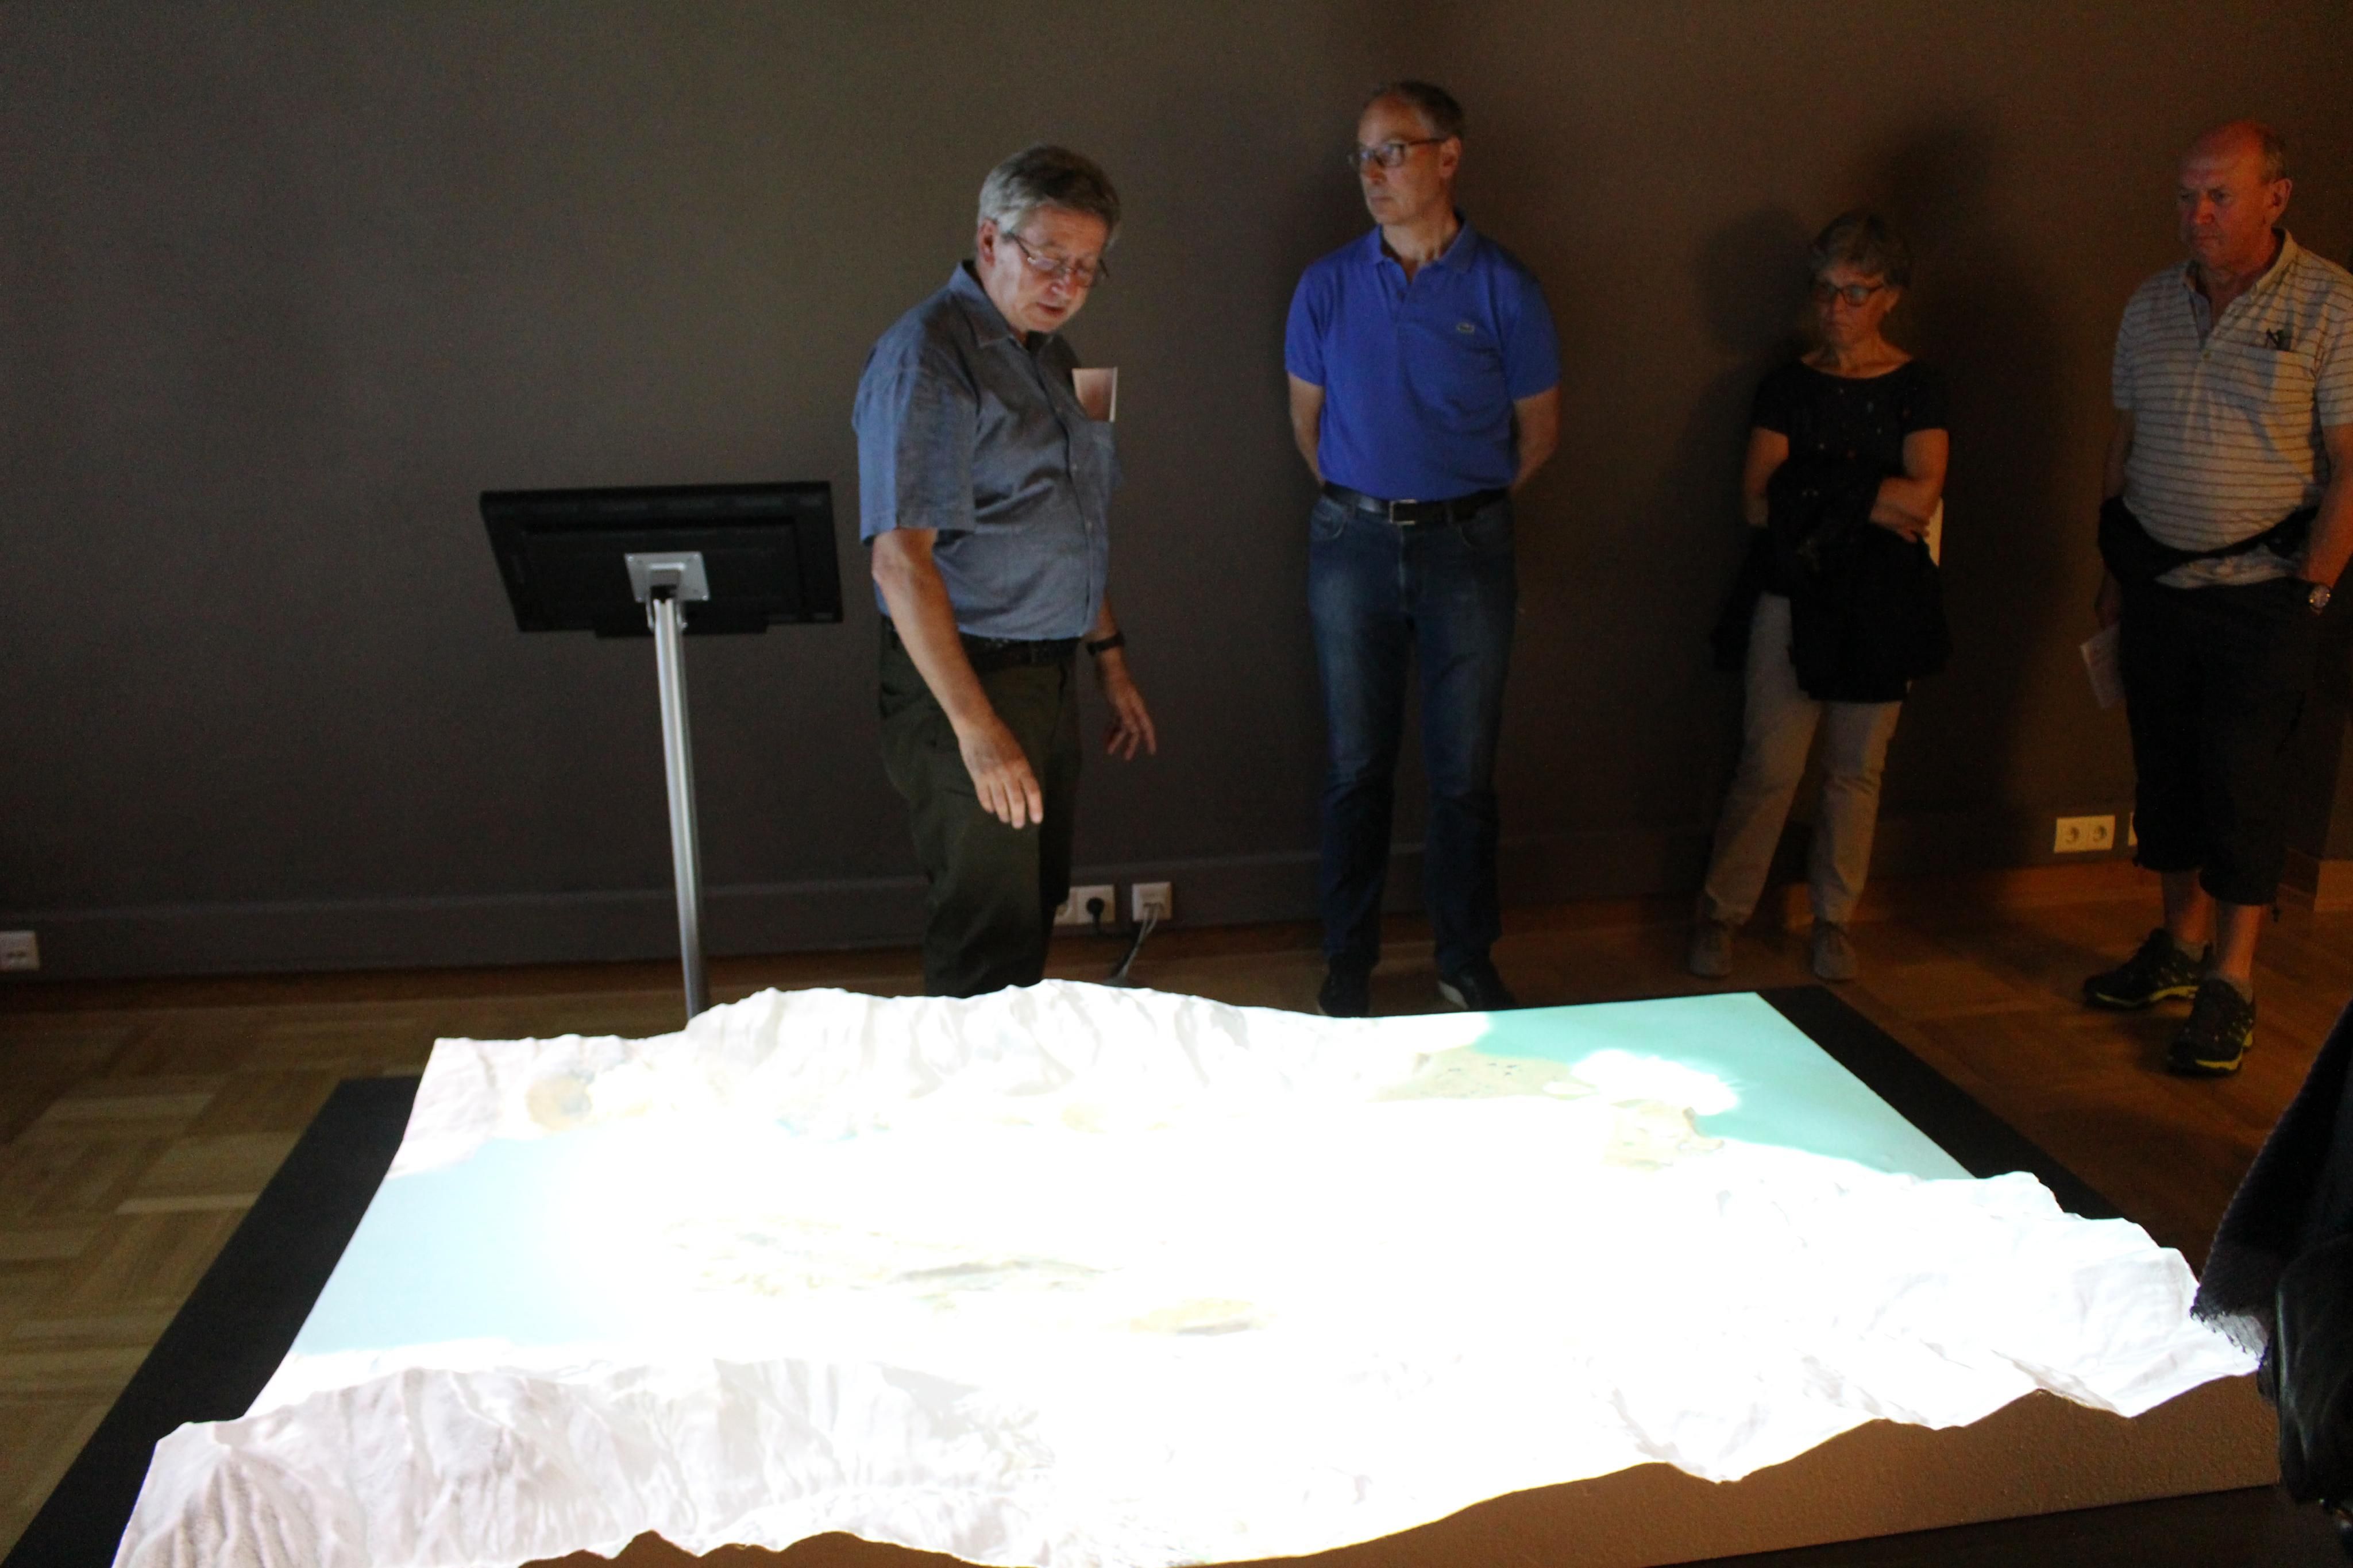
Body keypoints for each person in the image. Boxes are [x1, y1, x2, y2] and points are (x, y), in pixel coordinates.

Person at [1284, 80, 1561, 1018]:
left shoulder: (1505, 288)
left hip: (1467, 551)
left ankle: (1465, 959)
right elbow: (1308, 427)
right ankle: (1347, 961)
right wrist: (1374, 498)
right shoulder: (1326, 286)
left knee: (1463, 774)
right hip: (1351, 545)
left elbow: (1540, 435)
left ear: (1448, 157)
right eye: (1362, 155)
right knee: (1355, 767)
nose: (1372, 172)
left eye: (1391, 152)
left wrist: (1458, 506)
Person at [2081, 121, 2353, 1075]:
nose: (2197, 213)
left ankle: (2230, 981)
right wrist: (2115, 572)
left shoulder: (2330, 304)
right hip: (2158, 584)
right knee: (2167, 778)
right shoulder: (2153, 302)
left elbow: (2352, 467)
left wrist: (2312, 594)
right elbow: (2124, 445)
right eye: (2186, 194)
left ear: (2276, 197)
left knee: (2244, 786)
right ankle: (2178, 947)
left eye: (2219, 195)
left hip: (2265, 596)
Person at [854, 145, 1156, 998]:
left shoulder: (1053, 358)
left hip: (1045, 676)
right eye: (1050, 258)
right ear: (990, 240)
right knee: (986, 928)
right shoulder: (928, 358)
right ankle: (967, 1086)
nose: (1068, 283)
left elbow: (1075, 524)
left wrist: (1110, 663)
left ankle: (1011, 1076)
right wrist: (976, 728)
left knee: (1030, 907)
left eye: (1087, 267)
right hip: (969, 677)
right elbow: (899, 561)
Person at [1688, 213, 1950, 983]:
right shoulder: (1788, 385)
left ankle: (1835, 919)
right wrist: (1869, 496)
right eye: (1826, 290)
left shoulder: (1918, 386)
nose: (1836, 308)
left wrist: (1813, 491)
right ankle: (1721, 913)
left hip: (1882, 602)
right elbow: (1757, 503)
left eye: (1854, 292)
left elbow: (1921, 499)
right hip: (1791, 591)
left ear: (1890, 296)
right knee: (1769, 765)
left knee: (1855, 770)